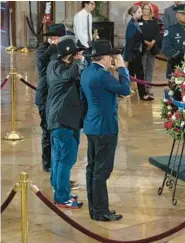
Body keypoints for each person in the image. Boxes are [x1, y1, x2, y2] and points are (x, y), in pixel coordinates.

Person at [81, 40, 130, 221]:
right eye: (112, 56)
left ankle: (95, 209)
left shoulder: (86, 72)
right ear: (105, 57)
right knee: (102, 171)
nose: (113, 59)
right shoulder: (103, 75)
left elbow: (83, 101)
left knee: (92, 169)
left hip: (91, 125)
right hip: (105, 128)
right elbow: (125, 89)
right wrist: (122, 68)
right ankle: (101, 211)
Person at [46, 38, 85, 208]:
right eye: (76, 53)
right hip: (63, 121)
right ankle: (62, 197)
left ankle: (59, 190)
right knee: (65, 160)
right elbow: (70, 75)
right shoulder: (62, 72)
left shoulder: (53, 65)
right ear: (70, 55)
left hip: (58, 120)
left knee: (58, 158)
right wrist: (80, 61)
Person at [36, 24, 69, 173]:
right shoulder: (44, 48)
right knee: (47, 130)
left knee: (59, 131)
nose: (54, 39)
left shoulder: (65, 49)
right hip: (45, 96)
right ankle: (48, 164)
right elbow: (41, 63)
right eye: (52, 37)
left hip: (60, 97)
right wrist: (52, 47)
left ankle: (58, 163)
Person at [123, 5, 153, 101]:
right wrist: (129, 56)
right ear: (133, 13)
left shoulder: (134, 23)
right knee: (139, 75)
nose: (141, 13)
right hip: (134, 54)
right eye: (139, 12)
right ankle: (143, 95)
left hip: (135, 53)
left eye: (141, 12)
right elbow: (130, 42)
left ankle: (124, 91)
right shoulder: (132, 25)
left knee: (130, 74)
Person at [139, 3, 161, 98]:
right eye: (145, 9)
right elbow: (138, 33)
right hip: (142, 46)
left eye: (148, 9)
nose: (146, 10)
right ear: (142, 9)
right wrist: (145, 42)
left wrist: (152, 42)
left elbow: (157, 33)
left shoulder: (154, 20)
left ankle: (148, 86)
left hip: (152, 47)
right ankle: (142, 87)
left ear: (150, 10)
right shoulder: (138, 20)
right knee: (142, 67)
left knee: (150, 67)